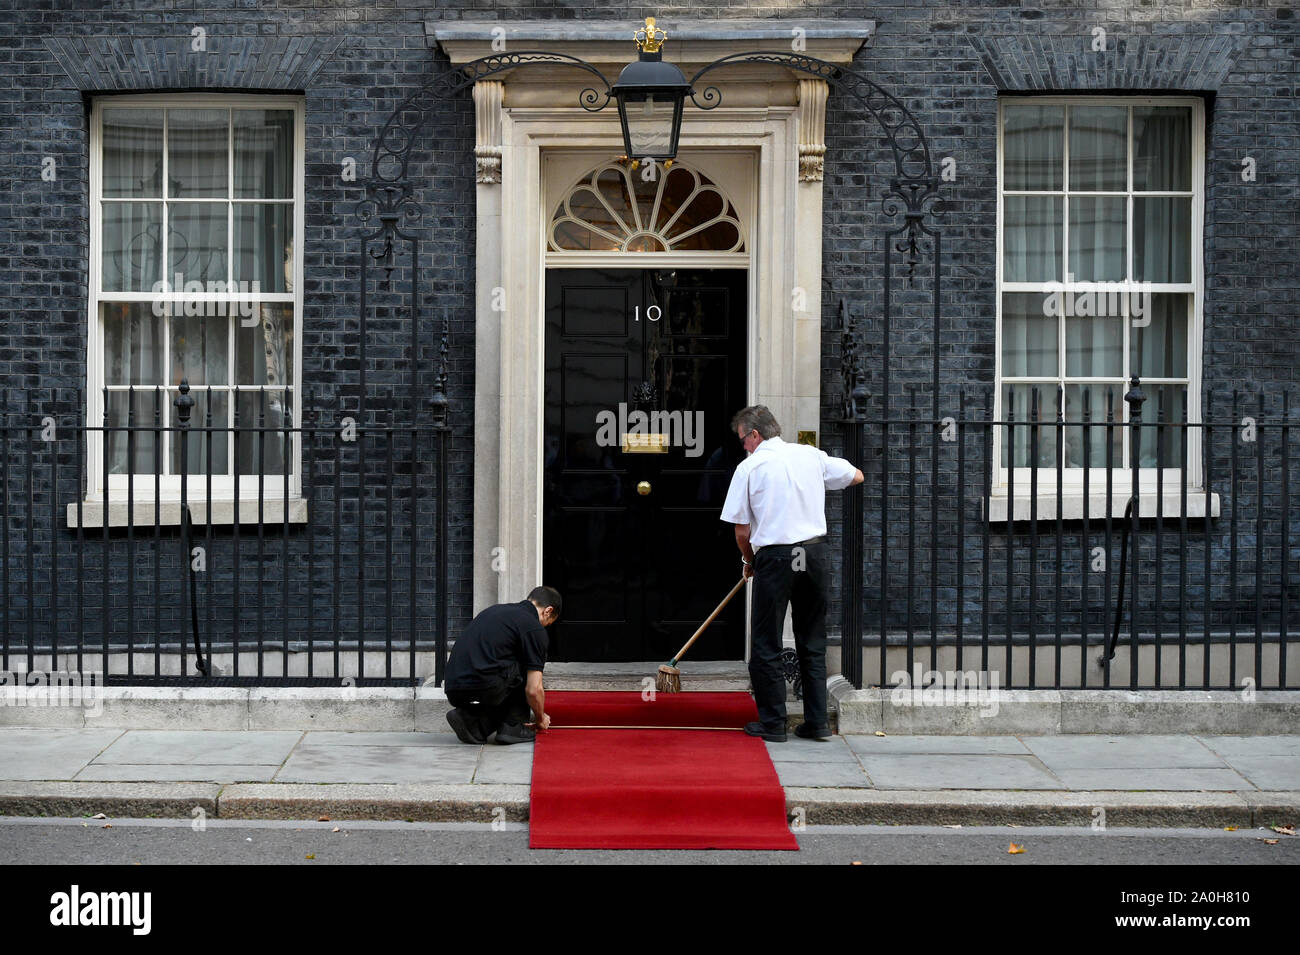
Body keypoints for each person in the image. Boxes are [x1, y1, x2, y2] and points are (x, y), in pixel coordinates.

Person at [720, 406, 863, 742]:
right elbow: (856, 475)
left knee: (766, 641)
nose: (743, 446)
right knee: (812, 639)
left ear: (755, 435)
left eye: (743, 439)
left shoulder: (750, 467)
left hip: (777, 556)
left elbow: (742, 532)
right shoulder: (810, 455)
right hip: (812, 553)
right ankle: (816, 722)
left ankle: (773, 723)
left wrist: (750, 559)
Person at [443, 586, 562, 745]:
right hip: (485, 684)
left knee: (506, 667)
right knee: (527, 665)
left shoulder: (496, 611)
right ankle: (512, 727)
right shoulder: (533, 627)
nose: (545, 627)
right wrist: (540, 718)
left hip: (453, 686)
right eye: (548, 623)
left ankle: (472, 721)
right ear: (548, 611)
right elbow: (534, 689)